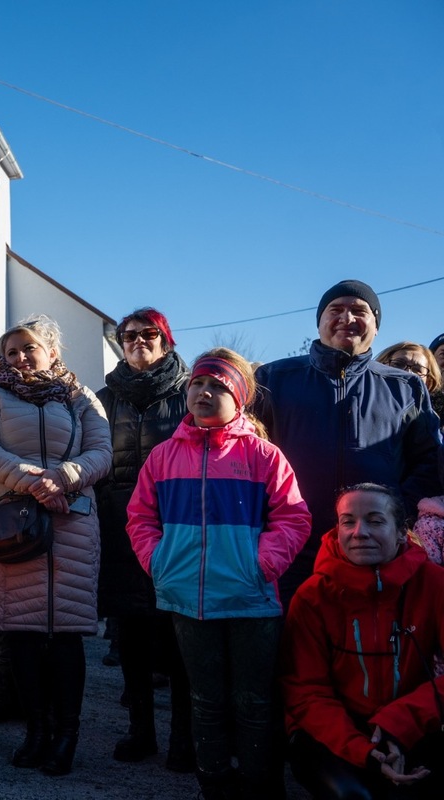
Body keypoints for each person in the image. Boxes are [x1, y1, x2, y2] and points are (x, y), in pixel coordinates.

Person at [127, 348, 312, 798]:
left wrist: (260, 564)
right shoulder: (163, 456)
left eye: (217, 386)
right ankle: (214, 783)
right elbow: (140, 518)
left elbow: (294, 517)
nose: (203, 393)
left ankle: (260, 784)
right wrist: (160, 564)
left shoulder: (264, 455)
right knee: (204, 699)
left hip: (252, 602)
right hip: (188, 600)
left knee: (254, 701)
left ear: (240, 398)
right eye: (197, 384)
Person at [0, 314, 112, 776]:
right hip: (14, 523)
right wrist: (35, 482)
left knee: (66, 636)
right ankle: (36, 731)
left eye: (29, 348)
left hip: (72, 521)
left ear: (51, 350)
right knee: (22, 636)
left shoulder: (81, 396)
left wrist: (64, 477)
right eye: (11, 352)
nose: (19, 358)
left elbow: (102, 452)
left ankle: (66, 736)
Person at [254, 280, 441, 604]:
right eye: (336, 309)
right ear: (320, 320)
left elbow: (429, 460)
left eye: (359, 310)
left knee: (367, 647)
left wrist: (398, 512)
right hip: (289, 550)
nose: (347, 317)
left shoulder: (405, 387)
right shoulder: (275, 378)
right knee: (295, 646)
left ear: (376, 325)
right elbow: (246, 452)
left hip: (374, 550)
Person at [282, 483, 444, 799]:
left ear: (401, 532)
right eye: (348, 521)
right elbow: (305, 690)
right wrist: (364, 751)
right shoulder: (312, 596)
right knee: (354, 795)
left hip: (412, 722)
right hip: (333, 731)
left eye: (375, 520)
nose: (359, 532)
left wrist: (399, 724)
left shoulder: (434, 584)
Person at [94, 308, 194, 770]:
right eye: (128, 335)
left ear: (166, 340)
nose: (137, 341)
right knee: (131, 635)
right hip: (118, 527)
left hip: (177, 528)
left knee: (179, 639)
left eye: (148, 334)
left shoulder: (189, 393)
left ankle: (184, 737)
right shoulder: (102, 399)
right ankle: (141, 731)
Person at [375, 341, 444, 427]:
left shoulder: (431, 427)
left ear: (429, 382)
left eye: (417, 370)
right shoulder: (357, 401)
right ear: (380, 366)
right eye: (397, 364)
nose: (407, 373)